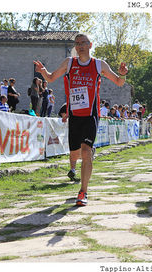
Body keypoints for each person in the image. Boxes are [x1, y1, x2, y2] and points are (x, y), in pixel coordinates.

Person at [33, 33, 128, 206]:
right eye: (77, 43)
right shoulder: (69, 63)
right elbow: (52, 77)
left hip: (91, 115)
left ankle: (83, 191)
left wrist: (122, 75)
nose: (80, 46)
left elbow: (119, 82)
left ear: (90, 45)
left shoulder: (99, 65)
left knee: (85, 152)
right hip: (75, 115)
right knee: (75, 154)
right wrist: (43, 72)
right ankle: (88, 156)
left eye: (83, 43)